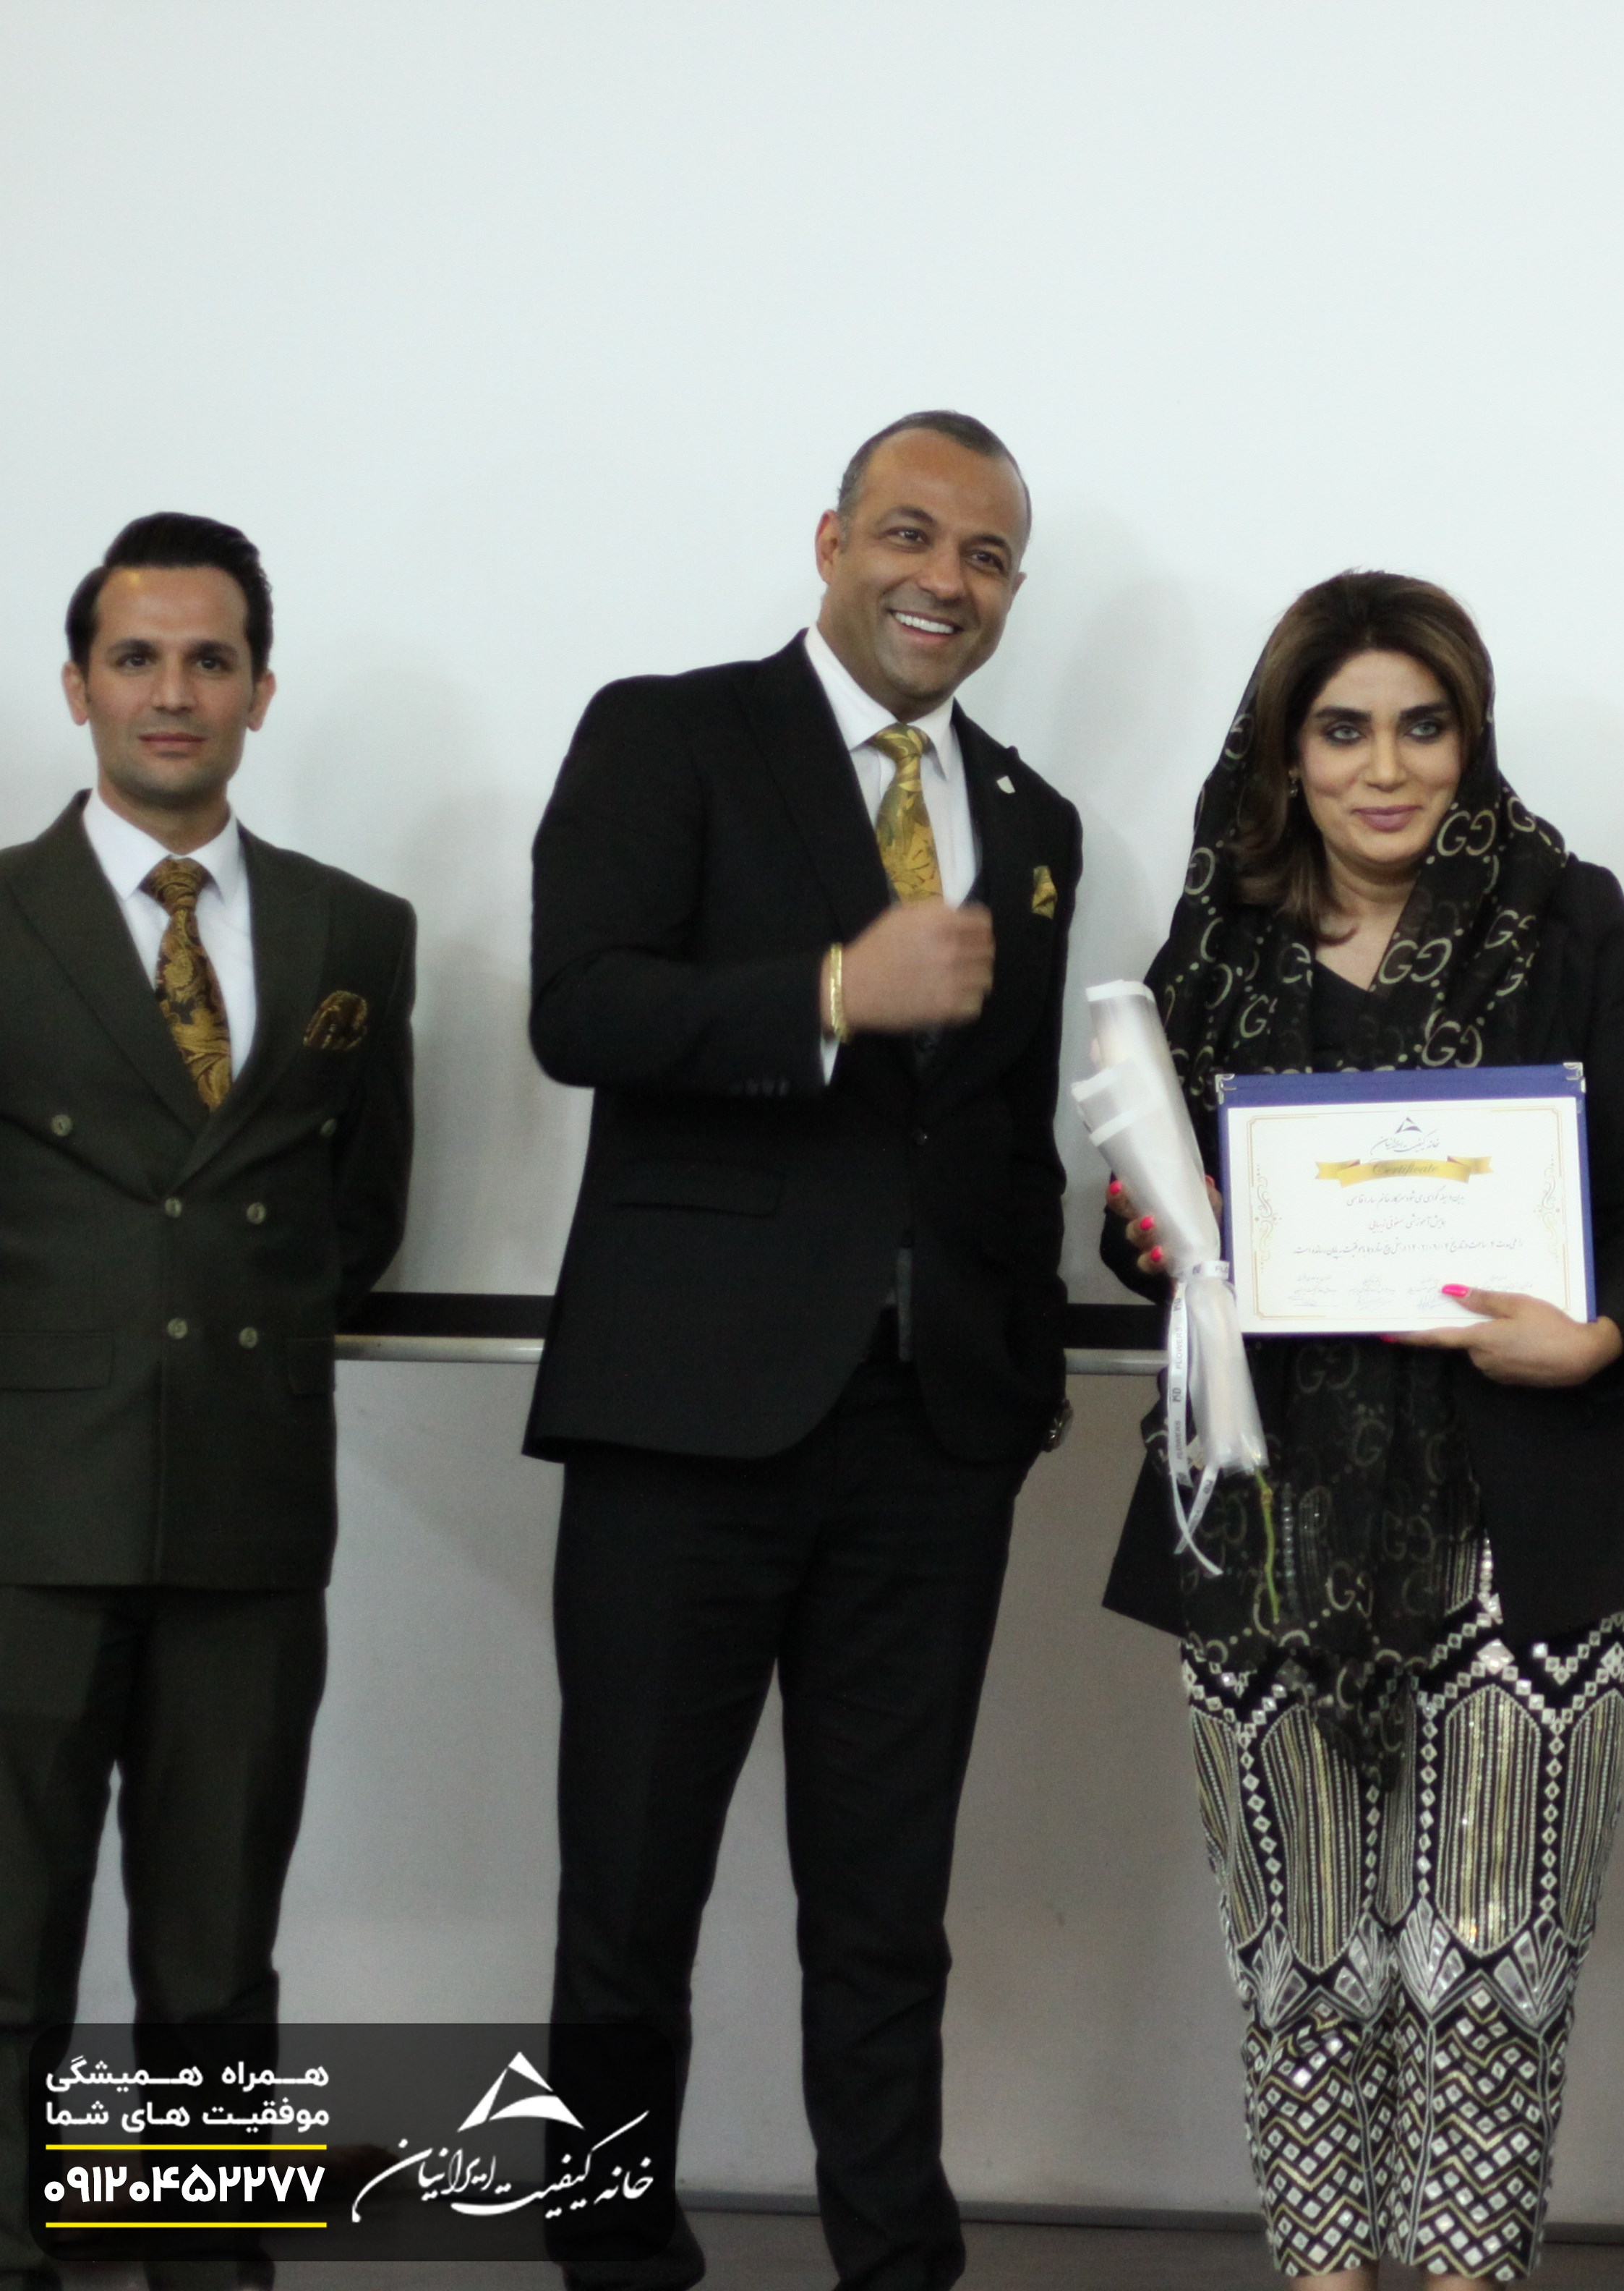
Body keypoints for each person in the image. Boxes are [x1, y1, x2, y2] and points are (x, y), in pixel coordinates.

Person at [1099, 570, 1624, 2291]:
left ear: (1471, 735)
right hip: (1266, 1511)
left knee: (1495, 1966)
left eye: (1424, 727)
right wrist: (1155, 1233)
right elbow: (1138, 1226)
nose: (1386, 768)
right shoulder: (1213, 940)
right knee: (1297, 1962)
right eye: (1344, 729)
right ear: (1285, 751)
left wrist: (1597, 1337)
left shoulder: (1567, 918)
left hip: (1532, 1514)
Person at [525, 411, 1081, 2291]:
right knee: (630, 1895)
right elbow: (581, 1007)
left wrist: (1031, 1368)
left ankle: (897, 2264)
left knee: (887, 1912)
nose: (944, 579)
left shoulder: (1034, 820)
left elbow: (1003, 1134)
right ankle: (612, 2261)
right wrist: (836, 990)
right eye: (910, 535)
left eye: (986, 556)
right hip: (682, 1427)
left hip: (931, 1446)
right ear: (832, 541)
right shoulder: (669, 733)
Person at [0, 513, 415, 2291]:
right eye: (137, 658)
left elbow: (363, 1215)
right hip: (25, 1509)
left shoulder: (356, 929)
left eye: (209, 659)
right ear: (78, 684)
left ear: (258, 688)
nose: (172, 692)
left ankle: (208, 2259)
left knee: (218, 1944)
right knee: (8, 1936)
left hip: (251, 1509)